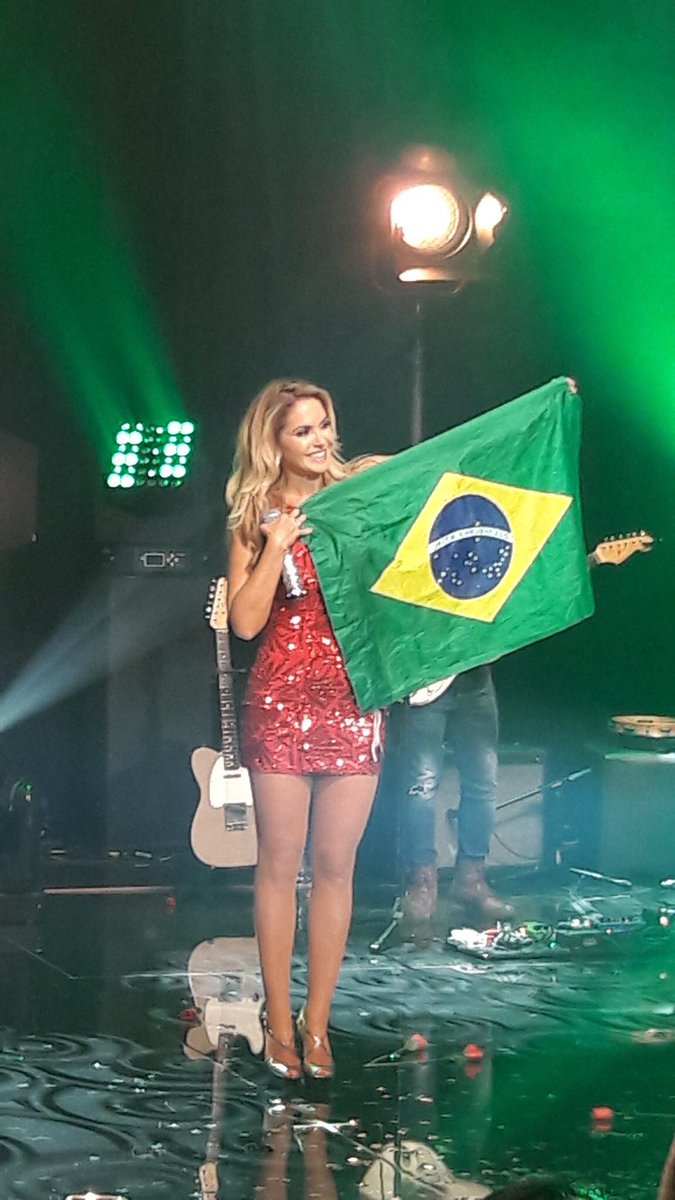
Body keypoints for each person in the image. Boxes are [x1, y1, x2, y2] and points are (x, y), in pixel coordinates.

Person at [226, 378, 385, 1081]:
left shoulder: (360, 491)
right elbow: (245, 622)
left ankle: (318, 1023)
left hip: (353, 699)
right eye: (302, 431)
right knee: (278, 866)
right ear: (274, 443)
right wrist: (276, 545)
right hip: (282, 700)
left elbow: (447, 475)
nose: (320, 440)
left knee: (336, 865)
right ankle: (279, 1022)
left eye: (324, 425)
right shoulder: (253, 515)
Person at [400, 664, 514, 929]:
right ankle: (422, 882)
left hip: (476, 679)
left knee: (483, 782)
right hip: (424, 675)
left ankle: (471, 879)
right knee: (422, 786)